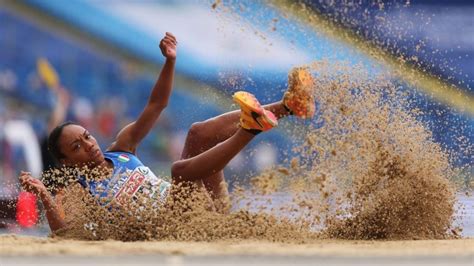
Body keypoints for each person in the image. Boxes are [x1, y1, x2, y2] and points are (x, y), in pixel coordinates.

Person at [19, 32, 316, 233]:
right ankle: (250, 129)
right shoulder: (77, 191)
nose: (88, 144)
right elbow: (65, 234)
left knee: (198, 133)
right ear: (68, 162)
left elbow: (157, 104)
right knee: (180, 171)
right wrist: (45, 196)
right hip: (175, 227)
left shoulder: (122, 148)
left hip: (203, 207)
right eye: (77, 146)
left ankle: (290, 105)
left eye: (86, 135)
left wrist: (170, 61)